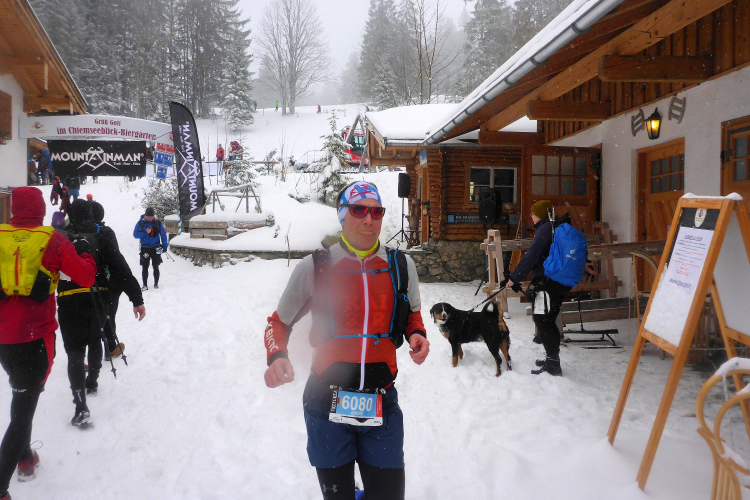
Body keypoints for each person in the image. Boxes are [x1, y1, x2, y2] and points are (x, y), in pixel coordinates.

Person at [264, 181, 430, 500]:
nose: (369, 219)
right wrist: (277, 356)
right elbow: (278, 323)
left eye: (376, 212)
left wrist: (417, 334)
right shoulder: (316, 267)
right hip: (325, 404)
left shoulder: (400, 266)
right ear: (343, 215)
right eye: (359, 210)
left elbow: (412, 313)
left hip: (380, 402)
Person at [0, 187, 97, 499]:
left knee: (20, 395)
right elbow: (85, 277)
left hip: (3, 339)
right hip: (35, 339)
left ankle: (26, 456)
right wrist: (86, 254)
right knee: (23, 410)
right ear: (42, 209)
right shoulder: (52, 240)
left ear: (13, 209)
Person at [57, 200, 145, 427]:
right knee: (95, 339)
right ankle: (93, 382)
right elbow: (121, 269)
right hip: (98, 298)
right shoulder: (101, 238)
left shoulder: (60, 238)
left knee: (75, 350)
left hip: (68, 299)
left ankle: (80, 405)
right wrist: (137, 299)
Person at [504, 200, 595, 376]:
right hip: (561, 282)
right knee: (549, 319)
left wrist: (514, 278)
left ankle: (553, 363)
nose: (531, 216)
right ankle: (552, 359)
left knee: (542, 320)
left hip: (548, 281)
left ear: (539, 215)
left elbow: (532, 255)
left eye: (532, 213)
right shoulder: (557, 227)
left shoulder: (546, 229)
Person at [92, 201, 132, 360]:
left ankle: (80, 357)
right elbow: (114, 256)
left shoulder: (74, 231)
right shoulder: (106, 232)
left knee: (90, 318)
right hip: (107, 281)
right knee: (108, 315)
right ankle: (110, 348)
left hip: (85, 280)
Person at [133, 207, 168, 291]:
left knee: (156, 266)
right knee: (145, 267)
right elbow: (135, 234)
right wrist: (145, 232)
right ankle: (145, 285)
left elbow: (163, 234)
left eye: (151, 216)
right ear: (145, 215)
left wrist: (165, 246)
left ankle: (156, 284)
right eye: (148, 216)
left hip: (156, 247)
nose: (150, 218)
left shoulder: (157, 223)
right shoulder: (141, 223)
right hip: (145, 248)